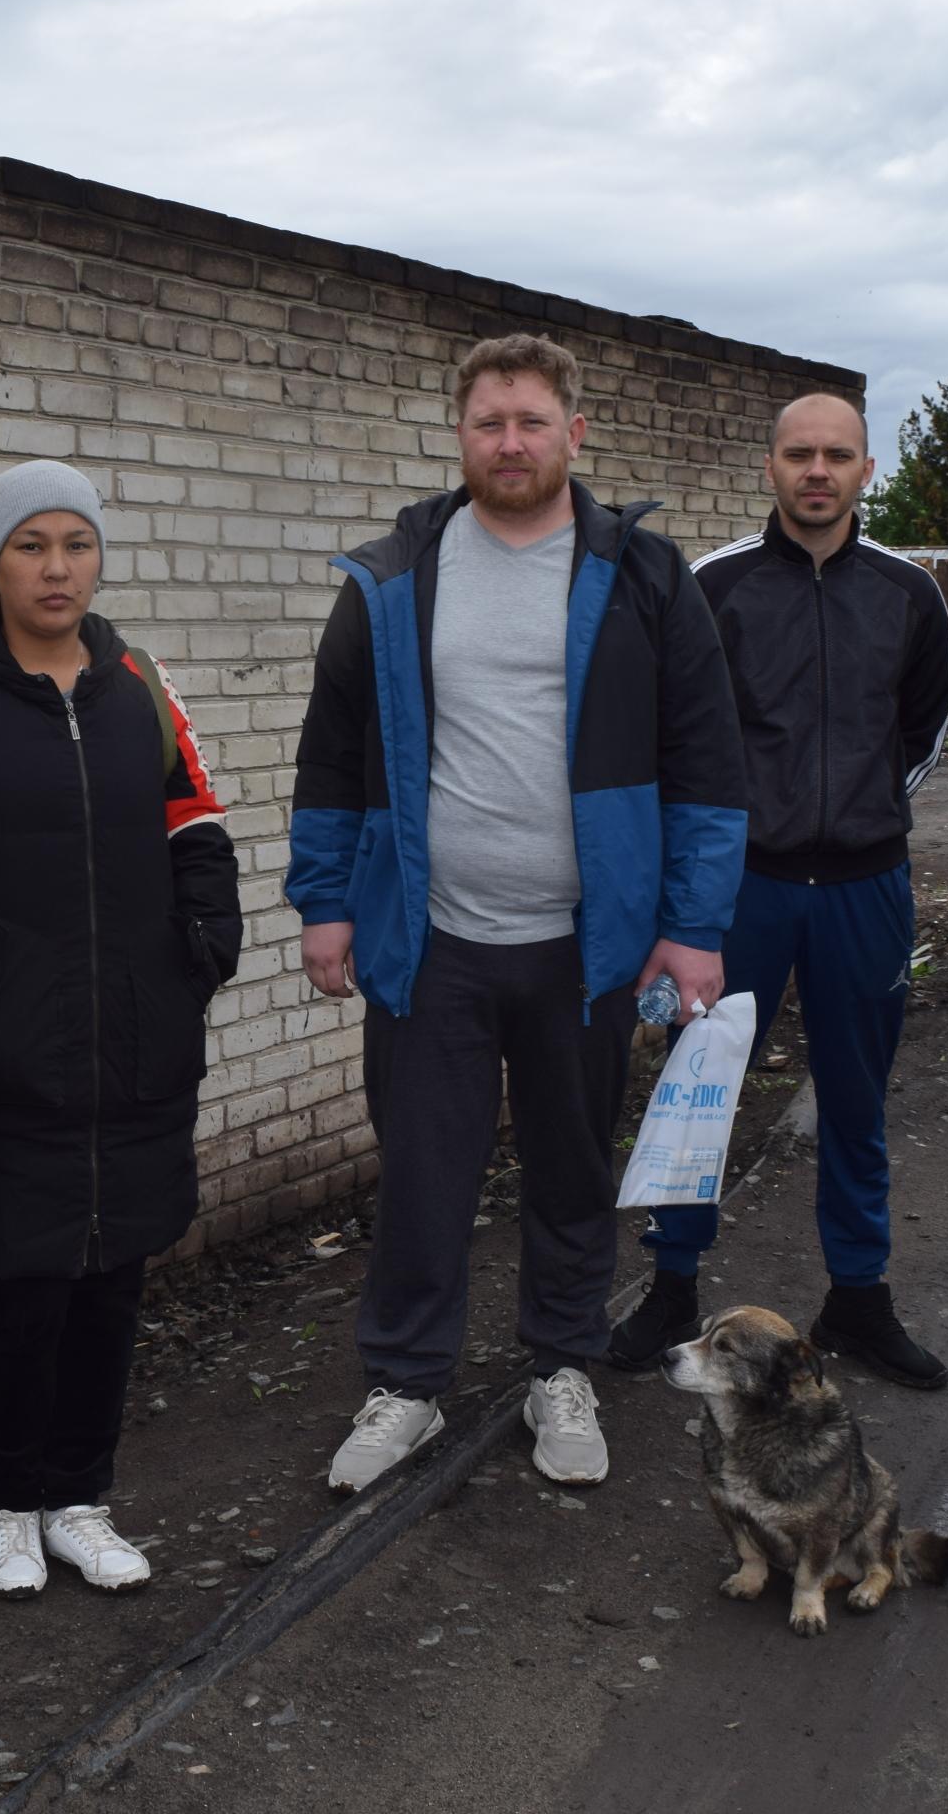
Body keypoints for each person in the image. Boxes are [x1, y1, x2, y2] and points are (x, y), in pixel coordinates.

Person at [287, 332, 750, 1496]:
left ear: (573, 433)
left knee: (569, 1165)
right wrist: (326, 903)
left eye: (532, 421)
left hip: (583, 943)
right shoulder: (397, 576)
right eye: (489, 421)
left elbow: (705, 760)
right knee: (424, 1171)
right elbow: (333, 755)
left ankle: (561, 1363)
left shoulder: (643, 573)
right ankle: (406, 1382)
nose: (510, 441)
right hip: (429, 935)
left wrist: (692, 923)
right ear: (460, 433)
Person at [0, 459, 243, 1600]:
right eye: (31, 544)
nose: (56, 567)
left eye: (75, 544)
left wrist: (196, 952)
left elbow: (196, 819)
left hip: (135, 1041)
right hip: (11, 1051)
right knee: (21, 1288)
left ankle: (83, 1498)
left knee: (112, 1282)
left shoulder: (137, 680)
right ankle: (8, 1504)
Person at [606, 392, 948, 1388]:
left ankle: (859, 1296)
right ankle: (672, 1283)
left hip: (864, 887)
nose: (817, 470)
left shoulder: (908, 593)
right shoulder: (710, 585)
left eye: (836, 455)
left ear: (865, 469)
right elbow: (673, 731)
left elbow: (925, 726)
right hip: (738, 891)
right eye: (799, 453)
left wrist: (867, 804)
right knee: (696, 1088)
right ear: (770, 465)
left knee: (856, 1098)